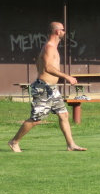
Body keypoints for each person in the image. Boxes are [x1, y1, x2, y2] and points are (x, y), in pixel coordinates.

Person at [8, 22, 87, 153]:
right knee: (37, 119)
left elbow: (38, 63)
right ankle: (14, 141)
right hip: (43, 88)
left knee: (64, 114)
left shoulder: (52, 47)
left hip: (52, 89)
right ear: (57, 32)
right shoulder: (49, 47)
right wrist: (67, 77)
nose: (64, 32)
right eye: (63, 30)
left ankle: (71, 145)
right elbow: (48, 67)